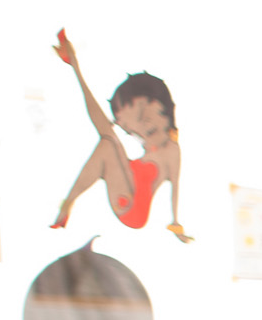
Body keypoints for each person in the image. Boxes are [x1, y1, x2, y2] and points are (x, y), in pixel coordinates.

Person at [49, 29, 188, 242]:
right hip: (125, 188)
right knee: (108, 138)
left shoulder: (171, 150)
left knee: (107, 142)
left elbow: (175, 186)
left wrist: (176, 223)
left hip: (132, 208)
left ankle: (66, 206)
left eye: (148, 127)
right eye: (133, 130)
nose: (142, 131)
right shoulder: (150, 149)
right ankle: (74, 65)